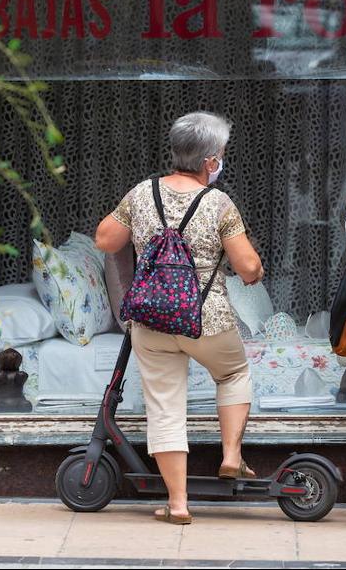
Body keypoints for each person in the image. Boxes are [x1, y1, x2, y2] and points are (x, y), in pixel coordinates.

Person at [95, 111, 265, 525]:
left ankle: (178, 504)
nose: (221, 161)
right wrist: (253, 267)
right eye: (221, 155)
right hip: (207, 320)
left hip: (152, 321)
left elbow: (105, 239)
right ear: (210, 161)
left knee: (165, 407)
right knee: (233, 374)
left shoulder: (141, 194)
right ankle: (230, 455)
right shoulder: (218, 203)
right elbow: (247, 268)